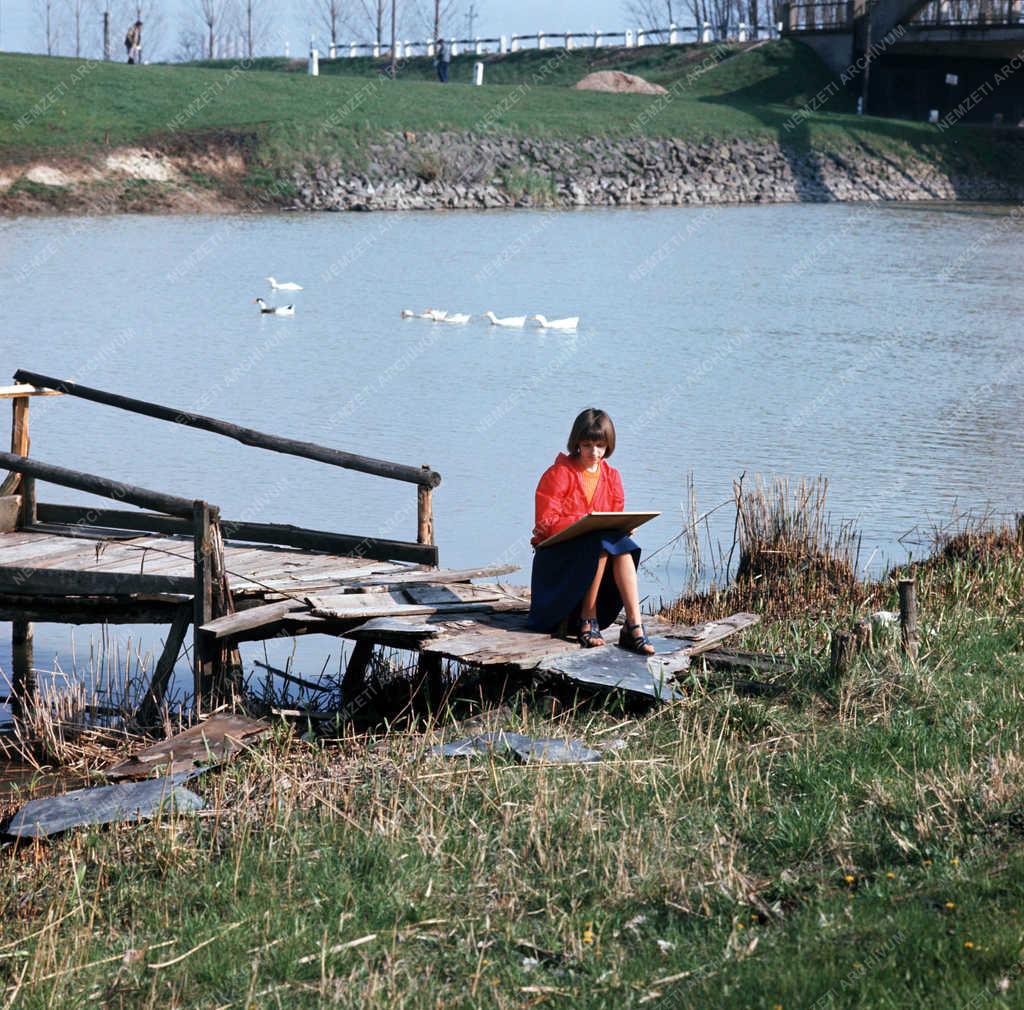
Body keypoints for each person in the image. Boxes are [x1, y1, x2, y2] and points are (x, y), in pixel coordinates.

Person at [526, 408, 655, 655]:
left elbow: (614, 517)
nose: (594, 452)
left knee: (622, 546)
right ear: (576, 443)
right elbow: (544, 524)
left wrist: (625, 527)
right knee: (602, 543)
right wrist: (584, 521)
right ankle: (588, 617)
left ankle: (634, 625)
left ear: (608, 445)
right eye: (587, 445)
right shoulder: (558, 474)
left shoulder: (613, 477)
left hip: (596, 553)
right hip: (556, 558)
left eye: (600, 445)